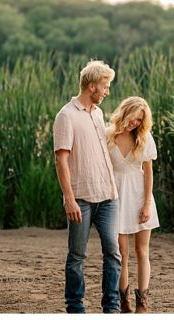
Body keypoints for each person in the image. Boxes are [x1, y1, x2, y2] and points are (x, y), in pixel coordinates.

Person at [53, 60, 122, 314]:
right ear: (91, 86)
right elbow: (61, 159)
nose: (107, 92)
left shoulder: (97, 112)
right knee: (77, 257)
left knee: (113, 253)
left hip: (108, 196)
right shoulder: (66, 116)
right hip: (81, 198)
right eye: (104, 87)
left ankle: (111, 308)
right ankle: (75, 308)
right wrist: (68, 198)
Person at [106, 97, 159, 314]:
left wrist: (147, 204)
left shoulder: (145, 138)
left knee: (142, 251)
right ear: (124, 112)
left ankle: (142, 303)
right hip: (116, 198)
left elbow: (148, 173)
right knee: (121, 253)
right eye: (133, 118)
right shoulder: (108, 135)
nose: (135, 123)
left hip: (140, 196)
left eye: (139, 120)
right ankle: (124, 302)